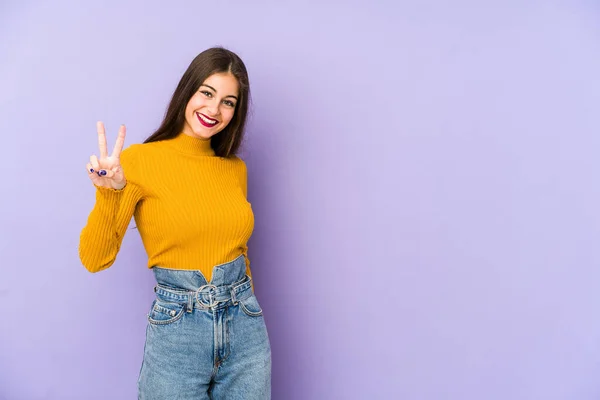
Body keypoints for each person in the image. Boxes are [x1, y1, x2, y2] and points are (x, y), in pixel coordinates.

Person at [78, 47, 271, 399]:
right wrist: (109, 194)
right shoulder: (138, 162)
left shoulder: (234, 169)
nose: (214, 110)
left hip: (245, 329)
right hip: (178, 330)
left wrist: (246, 305)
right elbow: (95, 258)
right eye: (207, 93)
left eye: (228, 102)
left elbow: (239, 250)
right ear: (188, 90)